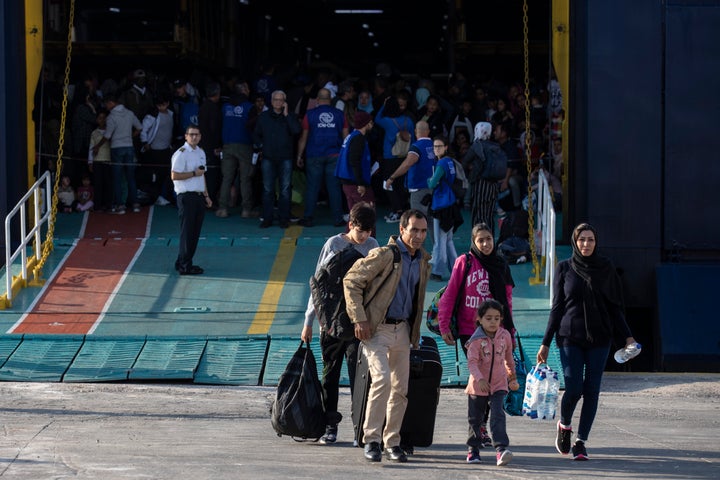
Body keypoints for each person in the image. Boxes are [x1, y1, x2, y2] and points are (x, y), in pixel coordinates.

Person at [536, 223, 637, 461]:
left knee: (592, 390)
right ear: (575, 241)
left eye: (591, 240)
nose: (586, 244)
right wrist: (546, 342)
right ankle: (565, 425)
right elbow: (557, 308)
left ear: (596, 242)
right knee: (573, 388)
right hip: (570, 337)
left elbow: (614, 307)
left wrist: (628, 336)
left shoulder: (606, 268)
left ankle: (581, 442)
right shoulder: (564, 268)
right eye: (582, 239)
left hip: (600, 338)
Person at [344, 209, 431, 464]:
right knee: (381, 380)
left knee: (400, 389)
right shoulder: (385, 254)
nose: (418, 235)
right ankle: (371, 439)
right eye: (414, 229)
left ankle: (392, 442)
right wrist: (359, 318)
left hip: (402, 330)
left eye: (423, 231)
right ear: (402, 229)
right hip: (377, 328)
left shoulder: (423, 260)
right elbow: (352, 280)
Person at [300, 202, 379, 444]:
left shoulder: (373, 246)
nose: (364, 237)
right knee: (330, 377)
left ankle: (360, 429)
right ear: (350, 225)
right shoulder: (333, 245)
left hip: (359, 324)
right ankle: (330, 426)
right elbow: (318, 285)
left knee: (360, 377)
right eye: (360, 231)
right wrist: (309, 321)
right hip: (332, 324)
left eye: (368, 232)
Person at [439, 222, 516, 447]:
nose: (485, 244)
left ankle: (484, 426)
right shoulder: (465, 262)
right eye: (480, 240)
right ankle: (479, 427)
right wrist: (444, 326)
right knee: (480, 377)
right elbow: (450, 295)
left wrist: (509, 329)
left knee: (496, 377)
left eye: (488, 239)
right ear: (474, 241)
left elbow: (507, 301)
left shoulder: (501, 264)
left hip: (496, 332)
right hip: (469, 332)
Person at [465, 299, 519, 466]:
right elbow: (472, 362)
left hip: (499, 384)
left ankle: (501, 449)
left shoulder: (505, 336)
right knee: (475, 419)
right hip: (478, 386)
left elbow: (509, 358)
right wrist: (479, 379)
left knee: (497, 415)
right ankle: (473, 450)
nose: (493, 322)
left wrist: (512, 377)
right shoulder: (475, 341)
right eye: (488, 318)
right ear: (479, 319)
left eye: (497, 318)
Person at [296, 88, 348, 227]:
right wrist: (345, 158)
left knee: (312, 187)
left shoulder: (310, 114)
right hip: (335, 155)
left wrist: (299, 155)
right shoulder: (340, 114)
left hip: (314, 155)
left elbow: (304, 137)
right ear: (330, 100)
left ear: (317, 100)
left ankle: (308, 218)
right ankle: (338, 219)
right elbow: (346, 138)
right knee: (334, 188)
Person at [253, 90, 302, 229]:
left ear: (285, 102)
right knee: (268, 189)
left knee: (285, 190)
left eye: (281, 100)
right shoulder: (263, 117)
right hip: (268, 158)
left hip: (285, 158)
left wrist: (287, 115)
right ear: (271, 100)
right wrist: (262, 146)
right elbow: (256, 134)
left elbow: (296, 130)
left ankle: (284, 218)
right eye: (275, 99)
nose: (278, 102)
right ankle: (267, 218)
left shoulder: (290, 116)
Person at [171, 125, 212, 275]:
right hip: (186, 196)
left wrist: (206, 195)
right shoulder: (181, 154)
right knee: (188, 232)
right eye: (191, 134)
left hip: (198, 195)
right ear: (186, 136)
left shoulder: (200, 152)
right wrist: (194, 173)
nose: (194, 137)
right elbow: (174, 175)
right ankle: (185, 265)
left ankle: (182, 260)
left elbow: (202, 175)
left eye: (197, 134)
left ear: (200, 136)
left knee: (194, 232)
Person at [92, 93, 142, 214]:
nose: (106, 106)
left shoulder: (111, 117)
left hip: (116, 148)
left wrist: (98, 145)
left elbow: (108, 135)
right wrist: (129, 136)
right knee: (131, 177)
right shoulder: (130, 113)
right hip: (129, 147)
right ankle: (135, 204)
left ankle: (120, 206)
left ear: (111, 103)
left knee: (117, 178)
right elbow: (139, 127)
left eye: (106, 104)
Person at [384, 121, 435, 239]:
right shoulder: (435, 145)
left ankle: (419, 252)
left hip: (419, 188)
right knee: (432, 222)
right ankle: (437, 251)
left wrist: (392, 177)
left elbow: (407, 164)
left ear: (416, 132)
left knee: (418, 222)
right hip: (433, 188)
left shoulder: (417, 147)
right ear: (428, 131)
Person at [216, 84, 254, 218]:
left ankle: (222, 209)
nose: (249, 91)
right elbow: (253, 127)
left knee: (227, 178)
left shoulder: (225, 107)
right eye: (248, 89)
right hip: (245, 145)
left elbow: (219, 125)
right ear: (244, 91)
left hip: (227, 145)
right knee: (245, 178)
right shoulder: (250, 107)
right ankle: (246, 210)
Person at [426, 136, 461, 281]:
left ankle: (437, 271)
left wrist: (429, 180)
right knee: (448, 239)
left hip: (441, 206)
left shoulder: (441, 164)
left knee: (440, 240)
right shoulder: (450, 162)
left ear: (446, 147)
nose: (436, 149)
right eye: (435, 147)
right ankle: (457, 268)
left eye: (439, 146)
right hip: (450, 203)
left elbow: (432, 184)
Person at [335, 111, 376, 225]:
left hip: (348, 182)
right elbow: (354, 161)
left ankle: (351, 241)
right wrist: (360, 183)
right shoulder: (358, 139)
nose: (372, 125)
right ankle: (369, 242)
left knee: (355, 217)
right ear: (366, 124)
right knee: (368, 213)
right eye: (370, 122)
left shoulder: (351, 136)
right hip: (355, 183)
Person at [462, 122, 502, 231]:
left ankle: (478, 244)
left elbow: (464, 163)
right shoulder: (495, 146)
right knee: (489, 215)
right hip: (493, 185)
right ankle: (490, 242)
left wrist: (470, 174)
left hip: (480, 185)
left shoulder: (477, 145)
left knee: (478, 215)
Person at [140, 94, 174, 206]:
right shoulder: (153, 115)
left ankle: (160, 195)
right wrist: (145, 143)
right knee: (155, 175)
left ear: (167, 103)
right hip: (154, 150)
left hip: (166, 149)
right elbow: (143, 129)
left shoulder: (171, 114)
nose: (161, 107)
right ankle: (155, 196)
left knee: (164, 174)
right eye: (159, 105)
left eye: (163, 104)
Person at [88, 109, 112, 212]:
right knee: (98, 184)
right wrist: (90, 162)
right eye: (100, 118)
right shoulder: (94, 133)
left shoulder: (110, 131)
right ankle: (98, 206)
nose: (102, 120)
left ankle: (108, 205)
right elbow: (91, 148)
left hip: (108, 161)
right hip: (97, 161)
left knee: (108, 184)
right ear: (97, 120)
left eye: (104, 118)